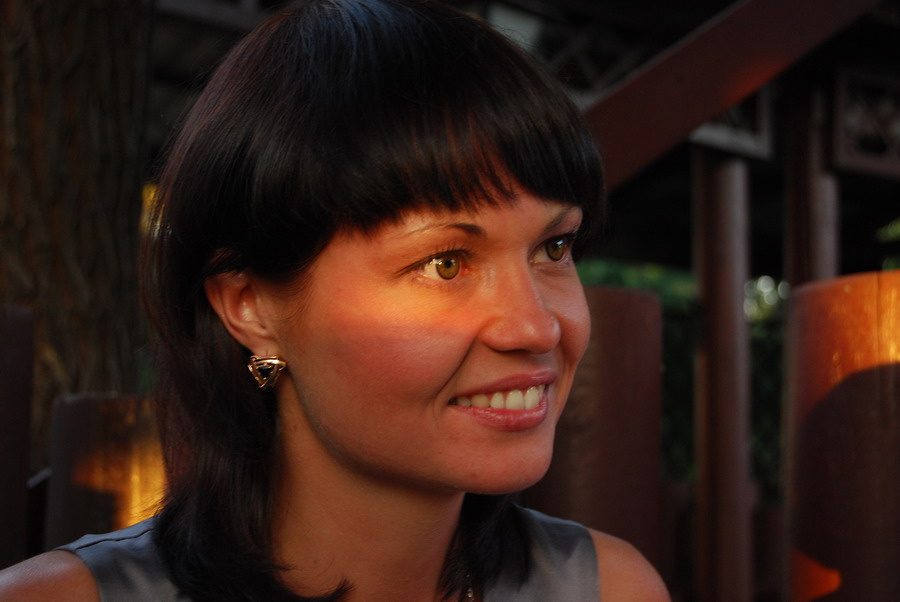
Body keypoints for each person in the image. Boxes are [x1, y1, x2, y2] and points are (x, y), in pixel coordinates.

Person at [0, 0, 670, 600]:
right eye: (445, 263)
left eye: (553, 248)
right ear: (250, 306)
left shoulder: (610, 588)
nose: (535, 327)